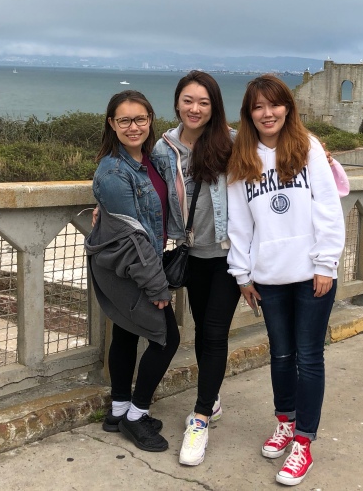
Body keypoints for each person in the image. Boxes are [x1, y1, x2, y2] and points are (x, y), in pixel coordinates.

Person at [226, 74, 346, 487]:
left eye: (273, 104)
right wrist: (242, 273)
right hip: (270, 276)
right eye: (258, 107)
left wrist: (326, 263)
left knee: (309, 356)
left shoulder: (307, 147)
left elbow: (329, 209)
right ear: (249, 114)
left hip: (312, 273)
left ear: (287, 107)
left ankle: (304, 442)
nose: (267, 113)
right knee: (280, 354)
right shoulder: (242, 158)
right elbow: (239, 224)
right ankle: (285, 421)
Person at [151, 71, 240, 466]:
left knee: (215, 332)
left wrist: (317, 151)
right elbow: (144, 185)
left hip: (227, 254)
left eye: (203, 102)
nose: (195, 108)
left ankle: (200, 417)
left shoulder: (233, 143)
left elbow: (277, 156)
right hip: (189, 254)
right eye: (188, 100)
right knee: (203, 330)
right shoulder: (163, 147)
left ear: (214, 106)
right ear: (177, 103)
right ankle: (213, 397)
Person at [86, 90, 179, 453]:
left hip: (132, 264)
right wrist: (157, 287)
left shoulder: (151, 159)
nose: (133, 126)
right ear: (111, 124)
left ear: (151, 118)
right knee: (166, 339)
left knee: (125, 335)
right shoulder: (112, 171)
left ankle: (118, 409)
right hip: (132, 268)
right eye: (124, 120)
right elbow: (134, 238)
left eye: (140, 118)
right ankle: (136, 416)